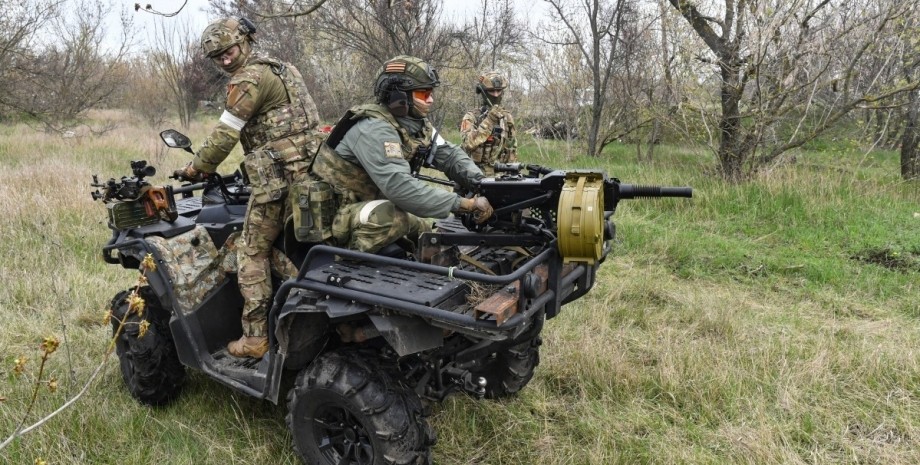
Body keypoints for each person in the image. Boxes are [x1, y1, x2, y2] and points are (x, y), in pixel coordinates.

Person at [173, 17, 322, 359]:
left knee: (250, 250)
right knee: (299, 244)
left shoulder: (247, 79)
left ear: (245, 42)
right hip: (313, 172)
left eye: (230, 51)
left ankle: (255, 338)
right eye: (218, 57)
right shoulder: (285, 69)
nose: (225, 60)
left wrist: (197, 167)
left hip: (279, 179)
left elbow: (226, 134)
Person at [308, 55, 493, 254]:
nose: (431, 100)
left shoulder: (415, 125)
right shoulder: (373, 128)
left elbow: (449, 155)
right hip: (334, 216)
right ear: (398, 97)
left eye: (431, 93)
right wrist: (466, 204)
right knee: (397, 218)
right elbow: (399, 186)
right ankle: (345, 262)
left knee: (425, 232)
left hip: (365, 207)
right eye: (423, 94)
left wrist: (482, 182)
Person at [460, 71, 518, 177]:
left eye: (498, 91)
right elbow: (467, 144)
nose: (496, 95)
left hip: (499, 177)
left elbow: (511, 149)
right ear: (484, 92)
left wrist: (511, 174)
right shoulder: (471, 116)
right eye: (492, 91)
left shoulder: (507, 117)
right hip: (474, 175)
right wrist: (489, 120)